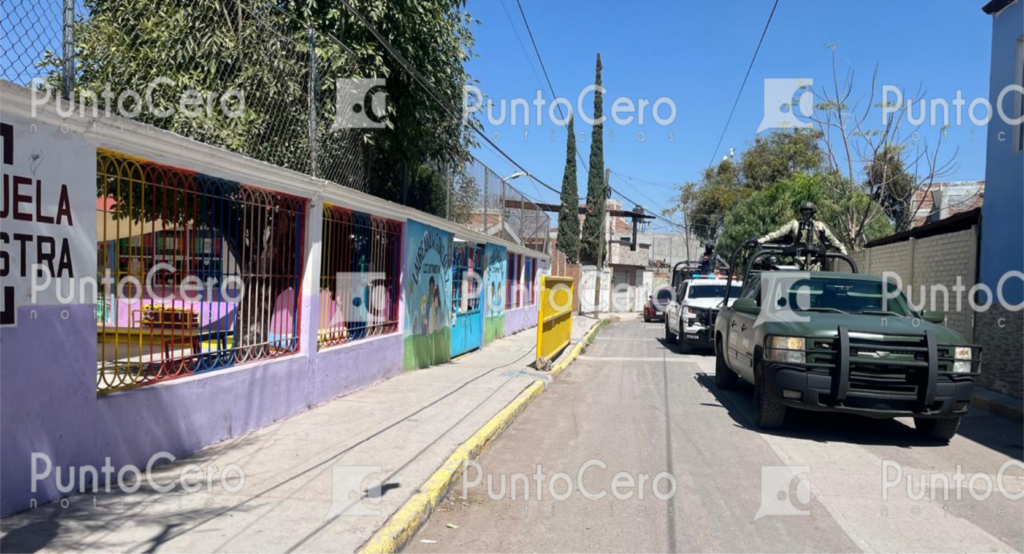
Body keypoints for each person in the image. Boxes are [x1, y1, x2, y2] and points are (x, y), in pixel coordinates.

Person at [758, 202, 848, 255]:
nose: (807, 214)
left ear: (813, 213)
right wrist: (764, 239)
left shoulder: (819, 225)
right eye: (805, 211)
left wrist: (842, 248)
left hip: (816, 258)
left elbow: (832, 239)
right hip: (798, 256)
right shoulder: (794, 224)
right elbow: (778, 233)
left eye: (809, 211)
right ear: (801, 212)